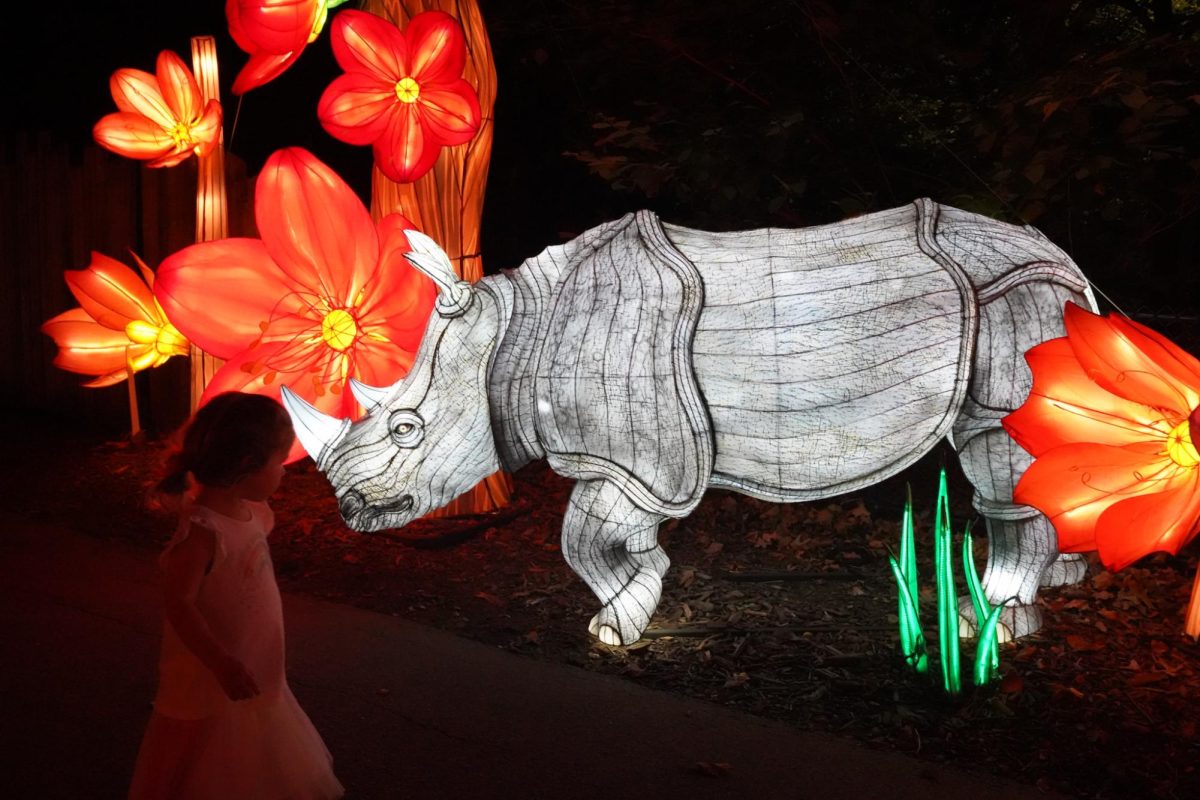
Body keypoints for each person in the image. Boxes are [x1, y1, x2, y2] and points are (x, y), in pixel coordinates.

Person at [128, 391, 344, 800]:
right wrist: (219, 662)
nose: (284, 472)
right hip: (213, 668)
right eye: (278, 462)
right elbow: (179, 603)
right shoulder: (202, 533)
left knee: (250, 732)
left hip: (251, 654)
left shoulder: (253, 513)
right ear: (247, 466)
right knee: (210, 745)